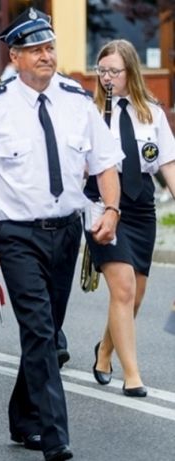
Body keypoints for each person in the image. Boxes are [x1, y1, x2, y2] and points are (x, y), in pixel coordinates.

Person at [0, 8, 122, 460]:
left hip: (67, 233)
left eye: (50, 47)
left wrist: (111, 208)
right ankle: (55, 436)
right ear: (16, 55)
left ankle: (21, 416)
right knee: (40, 329)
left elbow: (106, 163)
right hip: (17, 235)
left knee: (46, 333)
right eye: (36, 49)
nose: (47, 56)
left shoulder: (77, 100)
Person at [87, 39, 175, 397]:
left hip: (142, 207)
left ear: (130, 73)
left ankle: (105, 351)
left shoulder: (150, 111)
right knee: (121, 288)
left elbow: (167, 161)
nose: (108, 78)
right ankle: (133, 375)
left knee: (134, 297)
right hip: (102, 206)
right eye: (102, 70)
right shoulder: (89, 112)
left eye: (115, 71)